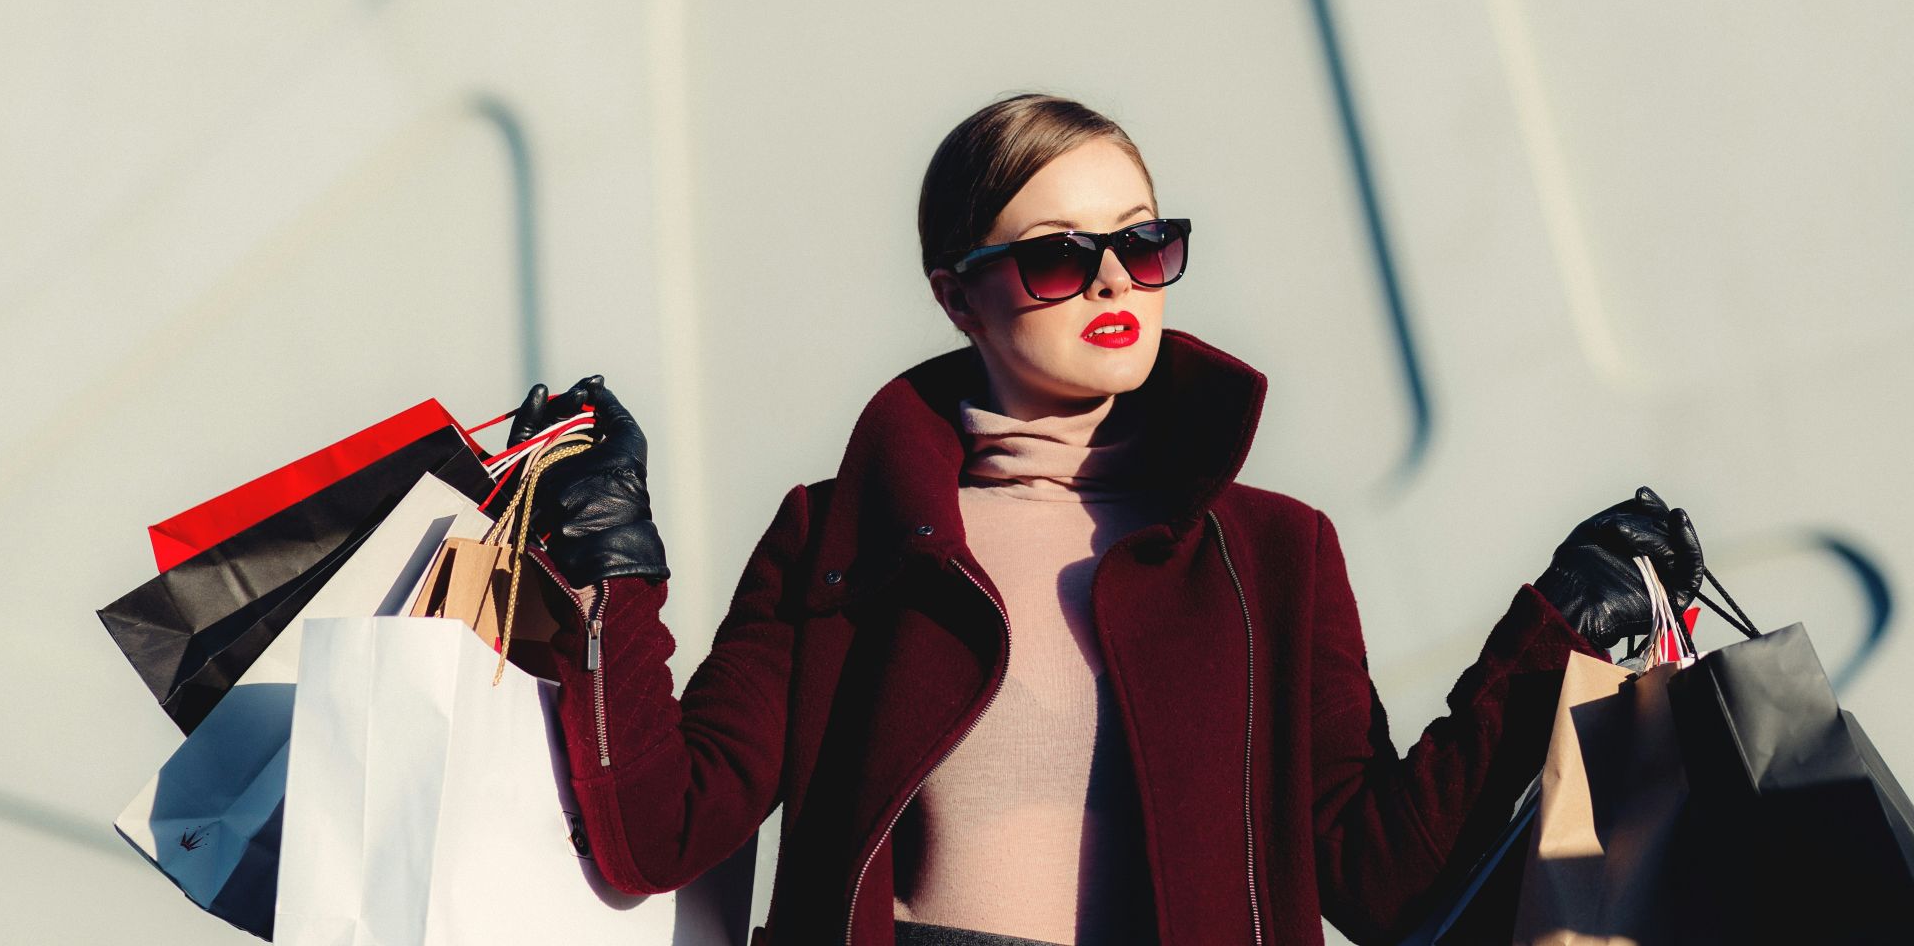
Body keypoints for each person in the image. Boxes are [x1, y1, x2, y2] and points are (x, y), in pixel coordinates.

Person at [509, 94, 1706, 946]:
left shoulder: (1274, 555)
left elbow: (1377, 880)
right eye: (1054, 259)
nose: (1113, 282)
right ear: (956, 293)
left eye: (1143, 242)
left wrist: (1557, 628)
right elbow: (660, 831)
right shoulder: (845, 535)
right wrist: (613, 568)